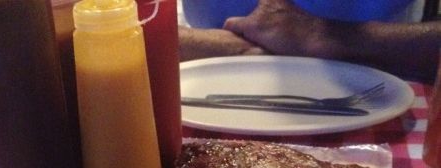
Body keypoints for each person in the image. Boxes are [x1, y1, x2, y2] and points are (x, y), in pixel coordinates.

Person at [179, 0, 441, 83]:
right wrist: (220, 47)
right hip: (198, 87)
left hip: (387, 87)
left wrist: (325, 37)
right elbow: (140, 19)